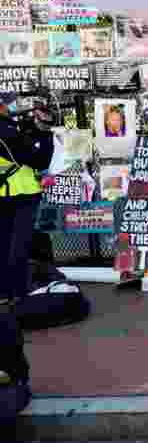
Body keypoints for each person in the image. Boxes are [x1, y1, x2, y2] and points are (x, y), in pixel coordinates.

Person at [0, 90, 54, 310]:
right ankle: (19, 293)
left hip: (5, 194)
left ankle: (4, 292)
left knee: (3, 243)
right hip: (20, 193)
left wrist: (29, 129)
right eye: (7, 104)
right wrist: (45, 131)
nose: (13, 106)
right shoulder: (6, 130)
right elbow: (39, 160)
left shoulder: (9, 128)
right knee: (18, 245)